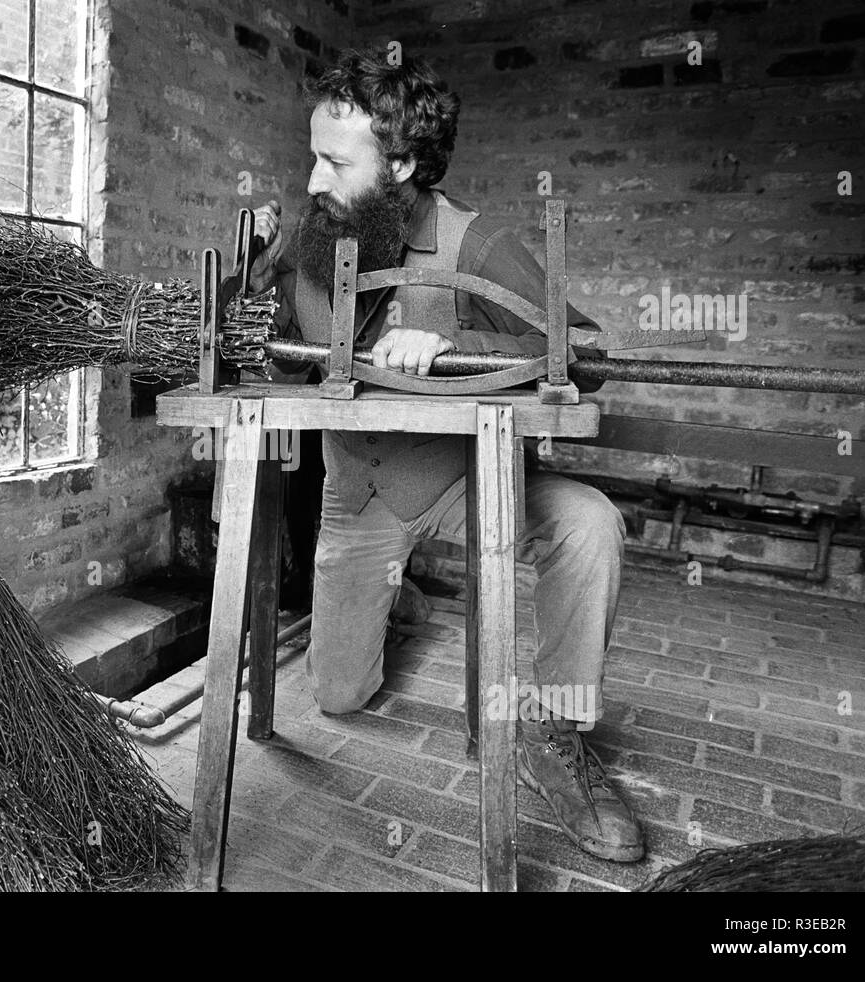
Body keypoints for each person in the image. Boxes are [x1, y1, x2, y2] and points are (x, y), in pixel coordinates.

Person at [243, 48, 644, 863]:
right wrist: (251, 268)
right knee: (339, 696)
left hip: (466, 484)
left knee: (588, 525)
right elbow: (269, 340)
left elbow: (591, 351)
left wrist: (457, 339)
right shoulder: (313, 241)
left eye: (332, 162)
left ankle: (551, 734)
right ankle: (400, 599)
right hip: (359, 496)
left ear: (405, 164)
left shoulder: (476, 243)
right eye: (310, 157)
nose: (313, 182)